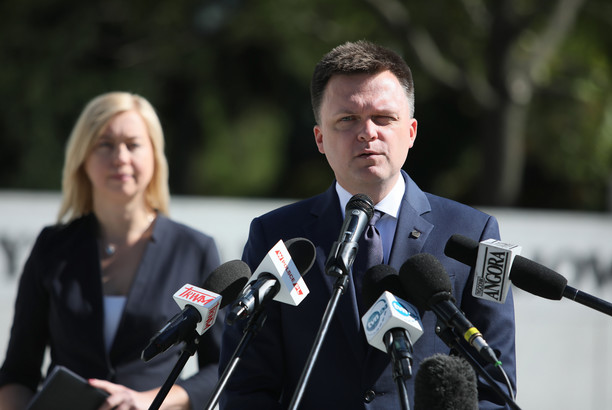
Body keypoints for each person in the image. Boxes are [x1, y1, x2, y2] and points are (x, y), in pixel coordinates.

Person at [219, 40, 516, 409]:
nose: (368, 133)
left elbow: (497, 384)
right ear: (320, 138)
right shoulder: (275, 235)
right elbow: (246, 385)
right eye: (347, 120)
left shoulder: (480, 233)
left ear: (410, 131)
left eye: (384, 118)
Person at [0, 92, 222, 410]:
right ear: (82, 157)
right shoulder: (52, 247)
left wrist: (146, 401)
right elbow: (17, 373)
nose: (120, 157)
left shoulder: (194, 249)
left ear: (154, 157)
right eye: (105, 144)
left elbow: (222, 366)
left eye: (133, 144)